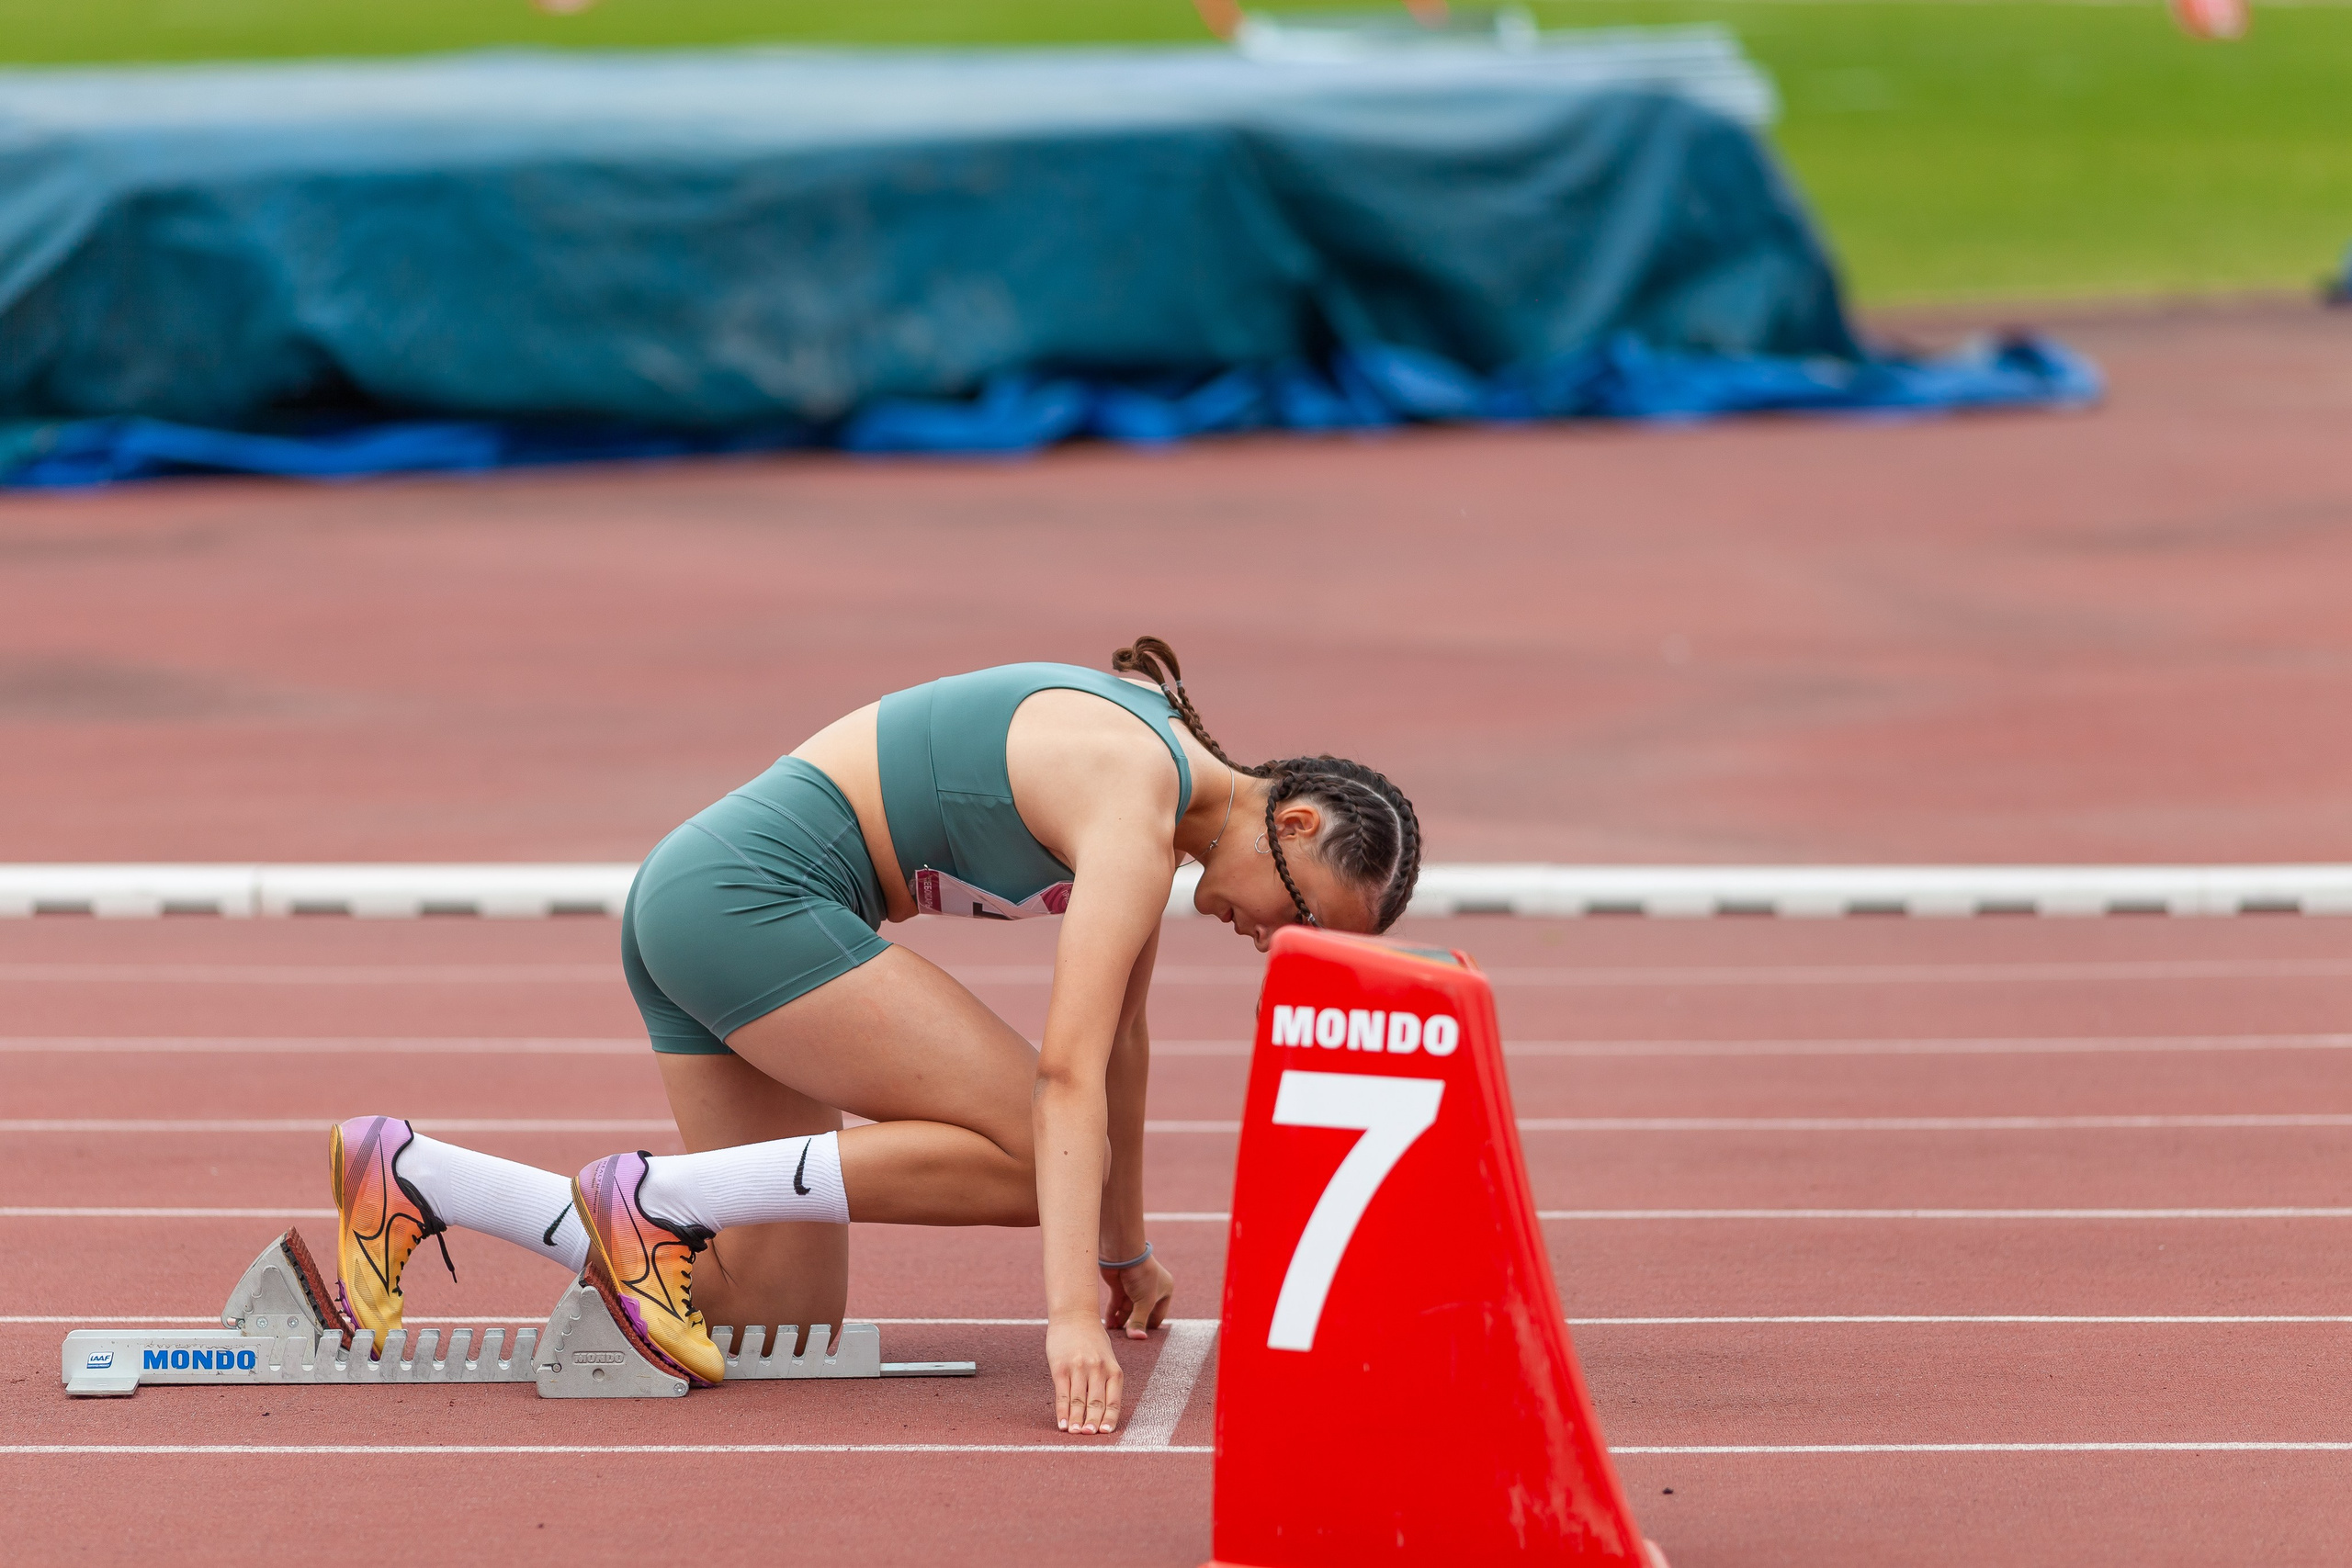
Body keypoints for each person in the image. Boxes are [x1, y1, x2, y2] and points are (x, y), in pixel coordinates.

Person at [326, 637, 1420, 1433]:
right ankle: (653, 1201)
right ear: (1295, 822)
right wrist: (1067, 1318)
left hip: (707, 906)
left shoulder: (1162, 808)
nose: (1280, 941)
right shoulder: (1135, 795)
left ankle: (421, 1179)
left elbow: (1122, 1042)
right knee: (1049, 1155)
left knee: (774, 1315)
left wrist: (1122, 1250)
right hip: (741, 901)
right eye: (1306, 914)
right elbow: (1067, 1074)